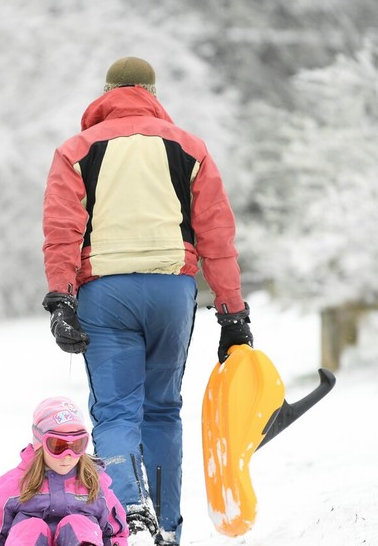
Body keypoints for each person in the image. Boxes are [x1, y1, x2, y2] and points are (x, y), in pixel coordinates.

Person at [40, 57, 254, 545]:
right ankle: (168, 532)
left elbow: (62, 232)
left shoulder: (76, 150)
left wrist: (61, 300)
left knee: (116, 413)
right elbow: (216, 234)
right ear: (154, 93)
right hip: (171, 292)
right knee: (162, 410)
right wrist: (232, 312)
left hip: (105, 293)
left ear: (106, 91)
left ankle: (129, 516)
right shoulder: (189, 148)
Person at [0, 396, 129, 546]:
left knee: (79, 523)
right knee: (30, 528)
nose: (68, 456)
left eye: (76, 445)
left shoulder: (95, 484)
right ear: (40, 443)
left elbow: (116, 533)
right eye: (58, 445)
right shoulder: (14, 485)